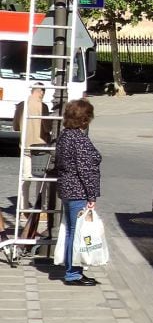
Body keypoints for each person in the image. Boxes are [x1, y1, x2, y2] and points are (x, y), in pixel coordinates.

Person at [54, 99, 102, 287]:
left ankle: (73, 270)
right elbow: (85, 170)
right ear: (84, 119)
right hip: (77, 190)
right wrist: (92, 196)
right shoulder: (79, 139)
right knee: (77, 233)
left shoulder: (64, 136)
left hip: (67, 188)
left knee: (72, 231)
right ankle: (73, 273)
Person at [15, 86, 52, 234]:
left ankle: (23, 207)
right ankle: (40, 209)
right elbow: (47, 126)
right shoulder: (42, 106)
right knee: (40, 179)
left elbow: (15, 126)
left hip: (25, 145)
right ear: (41, 92)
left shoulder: (21, 105)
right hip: (39, 147)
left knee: (25, 178)